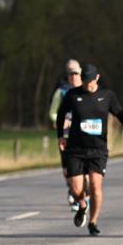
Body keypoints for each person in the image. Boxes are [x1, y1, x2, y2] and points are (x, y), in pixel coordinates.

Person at [56, 64, 123, 235]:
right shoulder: (73, 95)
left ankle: (93, 221)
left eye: (90, 81)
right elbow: (61, 114)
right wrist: (61, 136)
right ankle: (83, 205)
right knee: (76, 190)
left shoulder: (107, 95)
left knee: (95, 187)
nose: (87, 84)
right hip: (75, 149)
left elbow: (119, 111)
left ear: (97, 78)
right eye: (84, 80)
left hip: (98, 149)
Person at [49, 60, 83, 211]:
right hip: (66, 134)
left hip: (83, 135)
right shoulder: (62, 92)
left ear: (80, 72)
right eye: (70, 72)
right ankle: (72, 189)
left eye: (75, 72)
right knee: (67, 168)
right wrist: (61, 122)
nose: (73, 75)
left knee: (84, 167)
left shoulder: (87, 90)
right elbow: (52, 112)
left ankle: (81, 194)